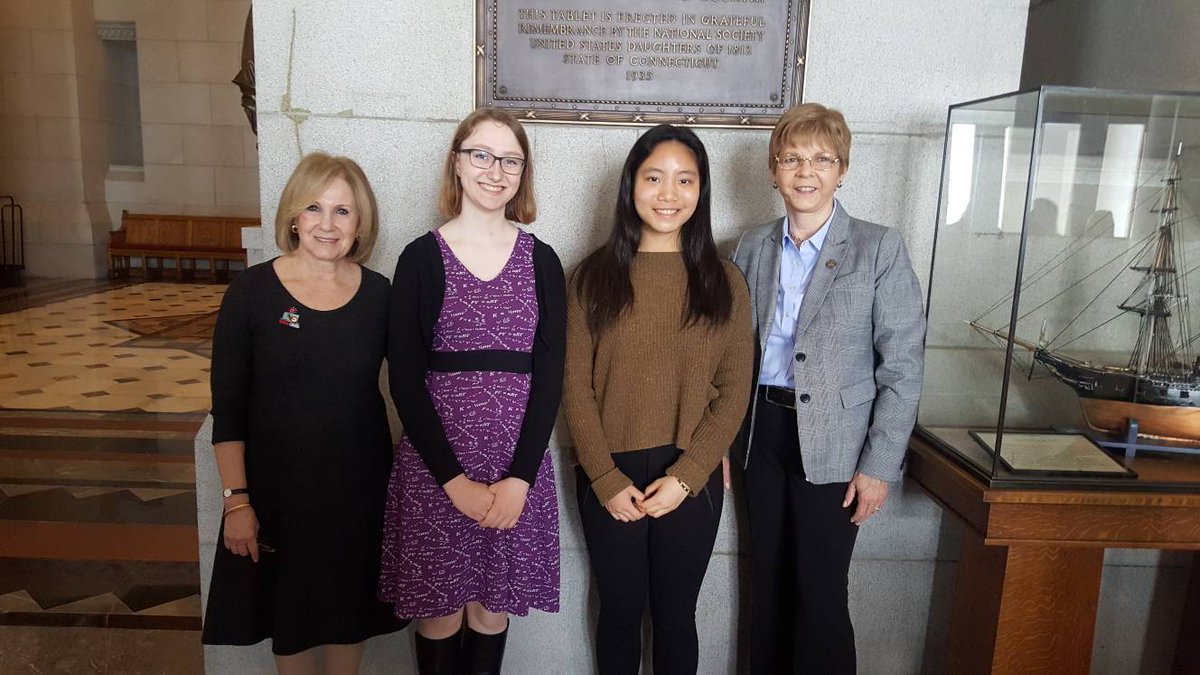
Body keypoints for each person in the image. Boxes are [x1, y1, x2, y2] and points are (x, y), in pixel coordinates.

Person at [730, 102, 926, 674]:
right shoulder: (751, 246)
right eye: (792, 158)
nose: (806, 171)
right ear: (773, 171)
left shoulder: (878, 247)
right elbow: (731, 354)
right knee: (767, 586)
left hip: (838, 443)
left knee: (819, 594)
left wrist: (879, 465)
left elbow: (903, 365)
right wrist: (722, 441)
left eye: (821, 159)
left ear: (842, 170)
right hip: (761, 435)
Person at [378, 108, 565, 675]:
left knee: (490, 611)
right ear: (457, 163)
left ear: (523, 173)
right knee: (439, 615)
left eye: (510, 160)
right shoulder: (420, 258)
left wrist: (520, 479)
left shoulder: (542, 261)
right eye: (480, 155)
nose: (494, 170)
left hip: (515, 471)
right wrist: (453, 482)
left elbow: (550, 378)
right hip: (438, 469)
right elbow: (404, 381)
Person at [202, 152, 405, 673]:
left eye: (343, 210)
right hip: (278, 494)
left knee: (349, 614)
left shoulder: (380, 295)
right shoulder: (250, 293)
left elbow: (413, 386)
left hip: (360, 492)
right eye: (314, 207)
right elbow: (228, 409)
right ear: (293, 215)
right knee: (289, 618)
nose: (327, 223)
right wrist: (236, 502)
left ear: (360, 223)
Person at [564, 124, 753, 675]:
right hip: (609, 473)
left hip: (689, 473)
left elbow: (734, 390)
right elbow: (574, 386)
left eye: (684, 180)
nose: (669, 194)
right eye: (654, 178)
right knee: (619, 613)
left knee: (675, 617)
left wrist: (688, 476)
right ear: (631, 185)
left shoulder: (725, 282)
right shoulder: (591, 278)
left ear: (701, 191)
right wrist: (604, 478)